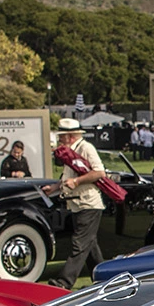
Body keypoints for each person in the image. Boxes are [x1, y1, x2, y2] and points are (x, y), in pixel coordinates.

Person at [53, 118, 110, 286]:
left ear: (70, 136)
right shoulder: (71, 150)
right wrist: (55, 187)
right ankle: (104, 280)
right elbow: (69, 177)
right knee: (90, 246)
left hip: (88, 204)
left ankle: (63, 282)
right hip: (77, 204)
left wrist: (77, 182)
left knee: (79, 244)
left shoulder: (86, 148)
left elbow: (100, 172)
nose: (60, 140)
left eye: (62, 136)